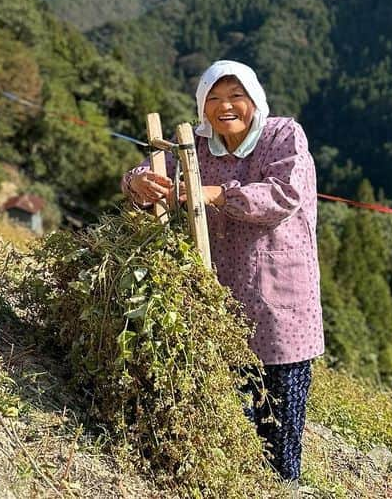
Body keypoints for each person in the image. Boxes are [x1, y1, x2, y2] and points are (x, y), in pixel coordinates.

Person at [122, 59, 324, 482]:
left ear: (254, 100)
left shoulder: (281, 135)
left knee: (278, 420)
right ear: (201, 106)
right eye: (213, 98)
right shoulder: (197, 144)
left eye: (235, 96)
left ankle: (281, 487)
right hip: (218, 293)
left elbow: (283, 195)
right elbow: (156, 172)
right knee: (226, 410)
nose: (224, 106)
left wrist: (211, 193)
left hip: (277, 295)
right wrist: (139, 182)